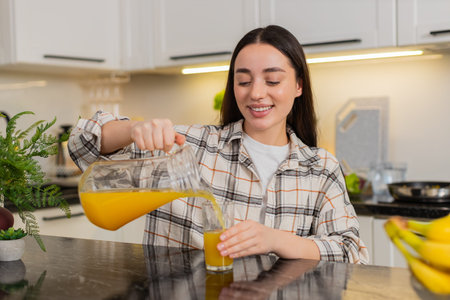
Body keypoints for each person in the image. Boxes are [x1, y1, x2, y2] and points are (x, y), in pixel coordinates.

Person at [69, 25, 369, 264]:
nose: (256, 93)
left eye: (273, 81)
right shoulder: (186, 146)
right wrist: (133, 129)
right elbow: (81, 144)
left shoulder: (319, 168)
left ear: (299, 85)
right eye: (243, 81)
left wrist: (275, 240)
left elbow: (351, 251)